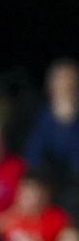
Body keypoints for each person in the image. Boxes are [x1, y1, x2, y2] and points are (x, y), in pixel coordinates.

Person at [25, 58, 79, 218]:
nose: (64, 86)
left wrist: (68, 120)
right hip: (48, 188)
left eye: (69, 82)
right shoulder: (42, 116)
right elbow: (33, 157)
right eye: (60, 80)